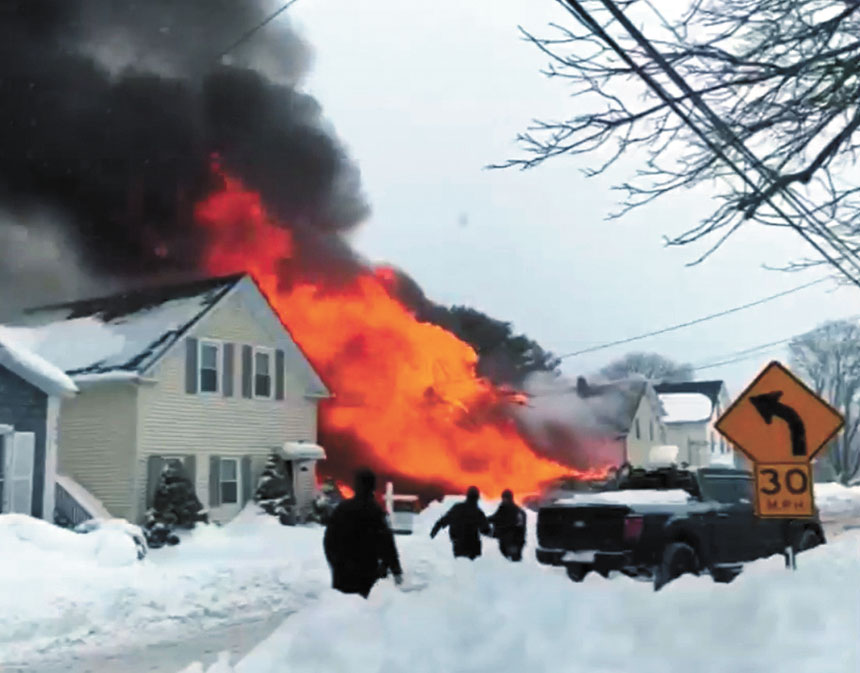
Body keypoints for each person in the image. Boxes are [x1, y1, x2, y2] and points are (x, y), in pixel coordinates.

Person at [323, 469, 403, 598]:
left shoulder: (342, 509)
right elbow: (387, 543)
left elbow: (329, 541)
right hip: (366, 576)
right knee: (362, 613)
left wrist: (336, 564)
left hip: (342, 576)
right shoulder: (375, 512)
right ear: (373, 487)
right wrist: (395, 569)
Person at [430, 486, 490, 560]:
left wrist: (432, 534)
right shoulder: (478, 513)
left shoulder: (457, 508)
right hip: (473, 550)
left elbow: (443, 521)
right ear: (477, 498)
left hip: (458, 547)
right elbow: (486, 530)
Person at [488, 489, 527, 562]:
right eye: (503, 498)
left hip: (513, 540)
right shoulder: (503, 508)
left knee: (513, 561)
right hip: (505, 539)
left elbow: (517, 526)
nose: (504, 500)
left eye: (506, 498)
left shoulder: (516, 511)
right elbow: (496, 517)